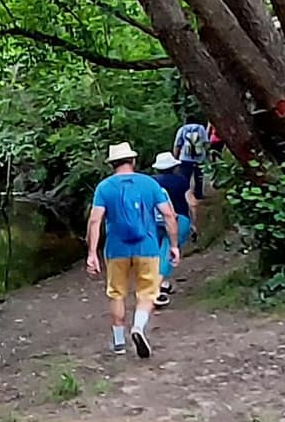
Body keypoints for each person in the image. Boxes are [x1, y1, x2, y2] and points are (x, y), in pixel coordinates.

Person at [86, 142, 179, 358]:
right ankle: (138, 326)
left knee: (117, 293)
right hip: (147, 247)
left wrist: (92, 253)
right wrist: (173, 245)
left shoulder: (104, 187)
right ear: (133, 161)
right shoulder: (149, 184)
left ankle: (119, 343)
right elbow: (168, 215)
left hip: (116, 249)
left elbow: (95, 220)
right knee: (148, 291)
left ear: (112, 164)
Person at [150, 151, 197, 308]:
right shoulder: (181, 181)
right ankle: (155, 288)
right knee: (170, 250)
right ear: (174, 167)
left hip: (154, 220)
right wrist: (193, 222)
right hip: (178, 219)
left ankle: (163, 283)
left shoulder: (151, 182)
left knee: (158, 252)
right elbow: (192, 202)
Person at [173, 118, 209, 198]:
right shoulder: (201, 128)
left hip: (185, 158)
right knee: (199, 177)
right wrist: (207, 154)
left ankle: (184, 194)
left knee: (184, 177)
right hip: (199, 158)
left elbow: (177, 145)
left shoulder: (182, 129)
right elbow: (206, 142)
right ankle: (198, 194)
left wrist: (175, 158)